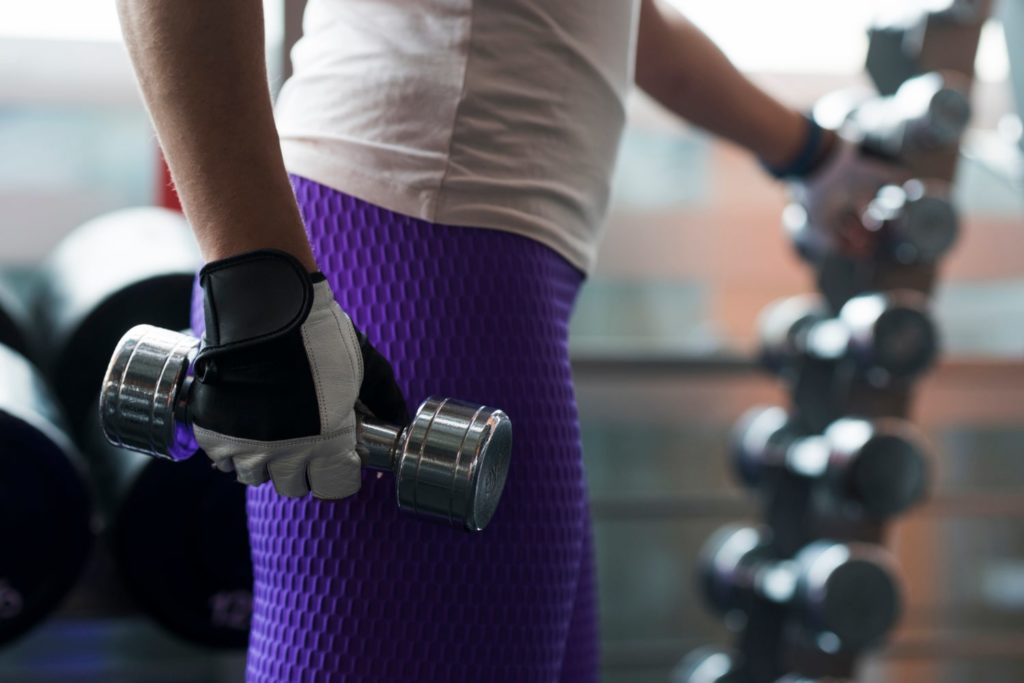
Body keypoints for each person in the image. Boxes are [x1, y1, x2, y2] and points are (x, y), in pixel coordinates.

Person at [115, 0, 898, 680]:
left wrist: (809, 153)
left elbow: (625, 21)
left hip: (489, 281)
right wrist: (261, 293)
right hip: (399, 250)